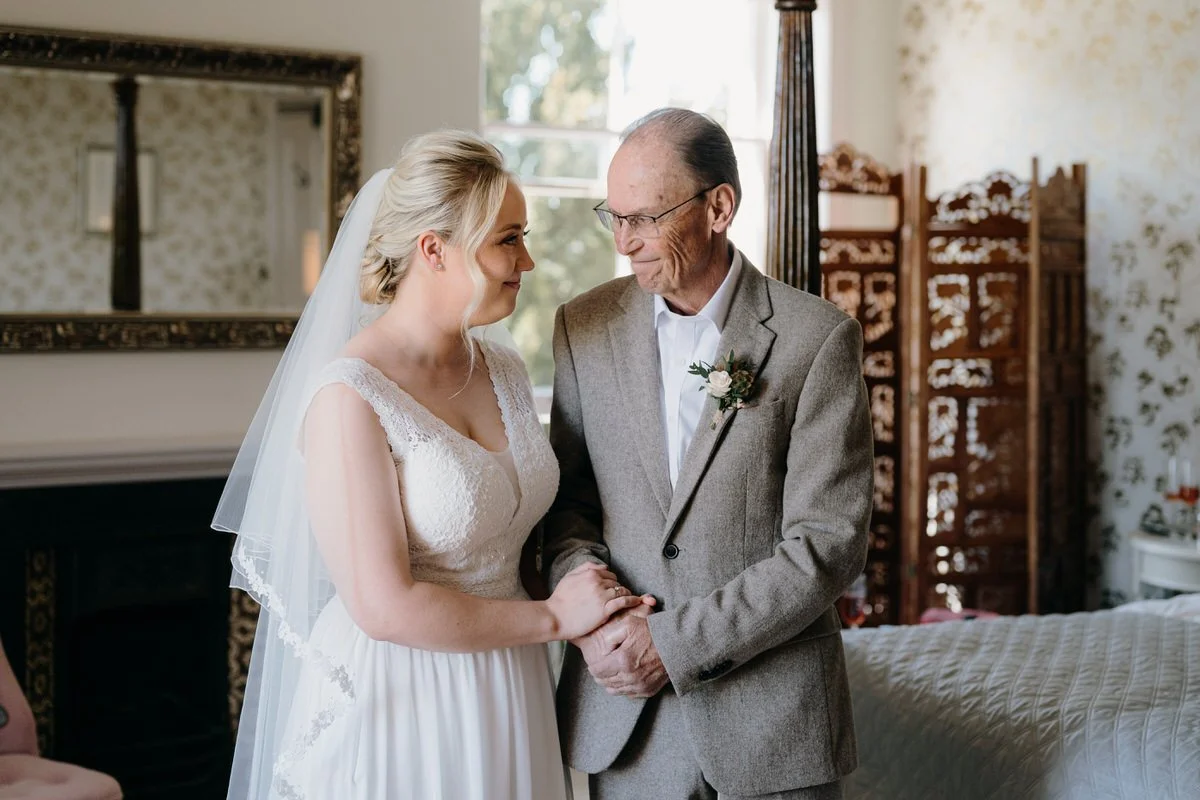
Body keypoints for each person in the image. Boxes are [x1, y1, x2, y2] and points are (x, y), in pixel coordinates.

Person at [213, 130, 651, 800]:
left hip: (512, 685)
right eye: (508, 238)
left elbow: (524, 535)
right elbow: (385, 606)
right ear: (433, 250)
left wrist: (604, 611)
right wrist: (557, 621)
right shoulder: (347, 396)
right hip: (405, 698)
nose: (527, 260)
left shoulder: (502, 368)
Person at [542, 108, 874, 800]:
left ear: (718, 206)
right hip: (628, 725)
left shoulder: (817, 339)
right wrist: (601, 616)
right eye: (615, 217)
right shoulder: (583, 327)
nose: (625, 243)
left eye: (646, 218)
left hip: (775, 726)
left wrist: (675, 644)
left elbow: (829, 543)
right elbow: (567, 507)